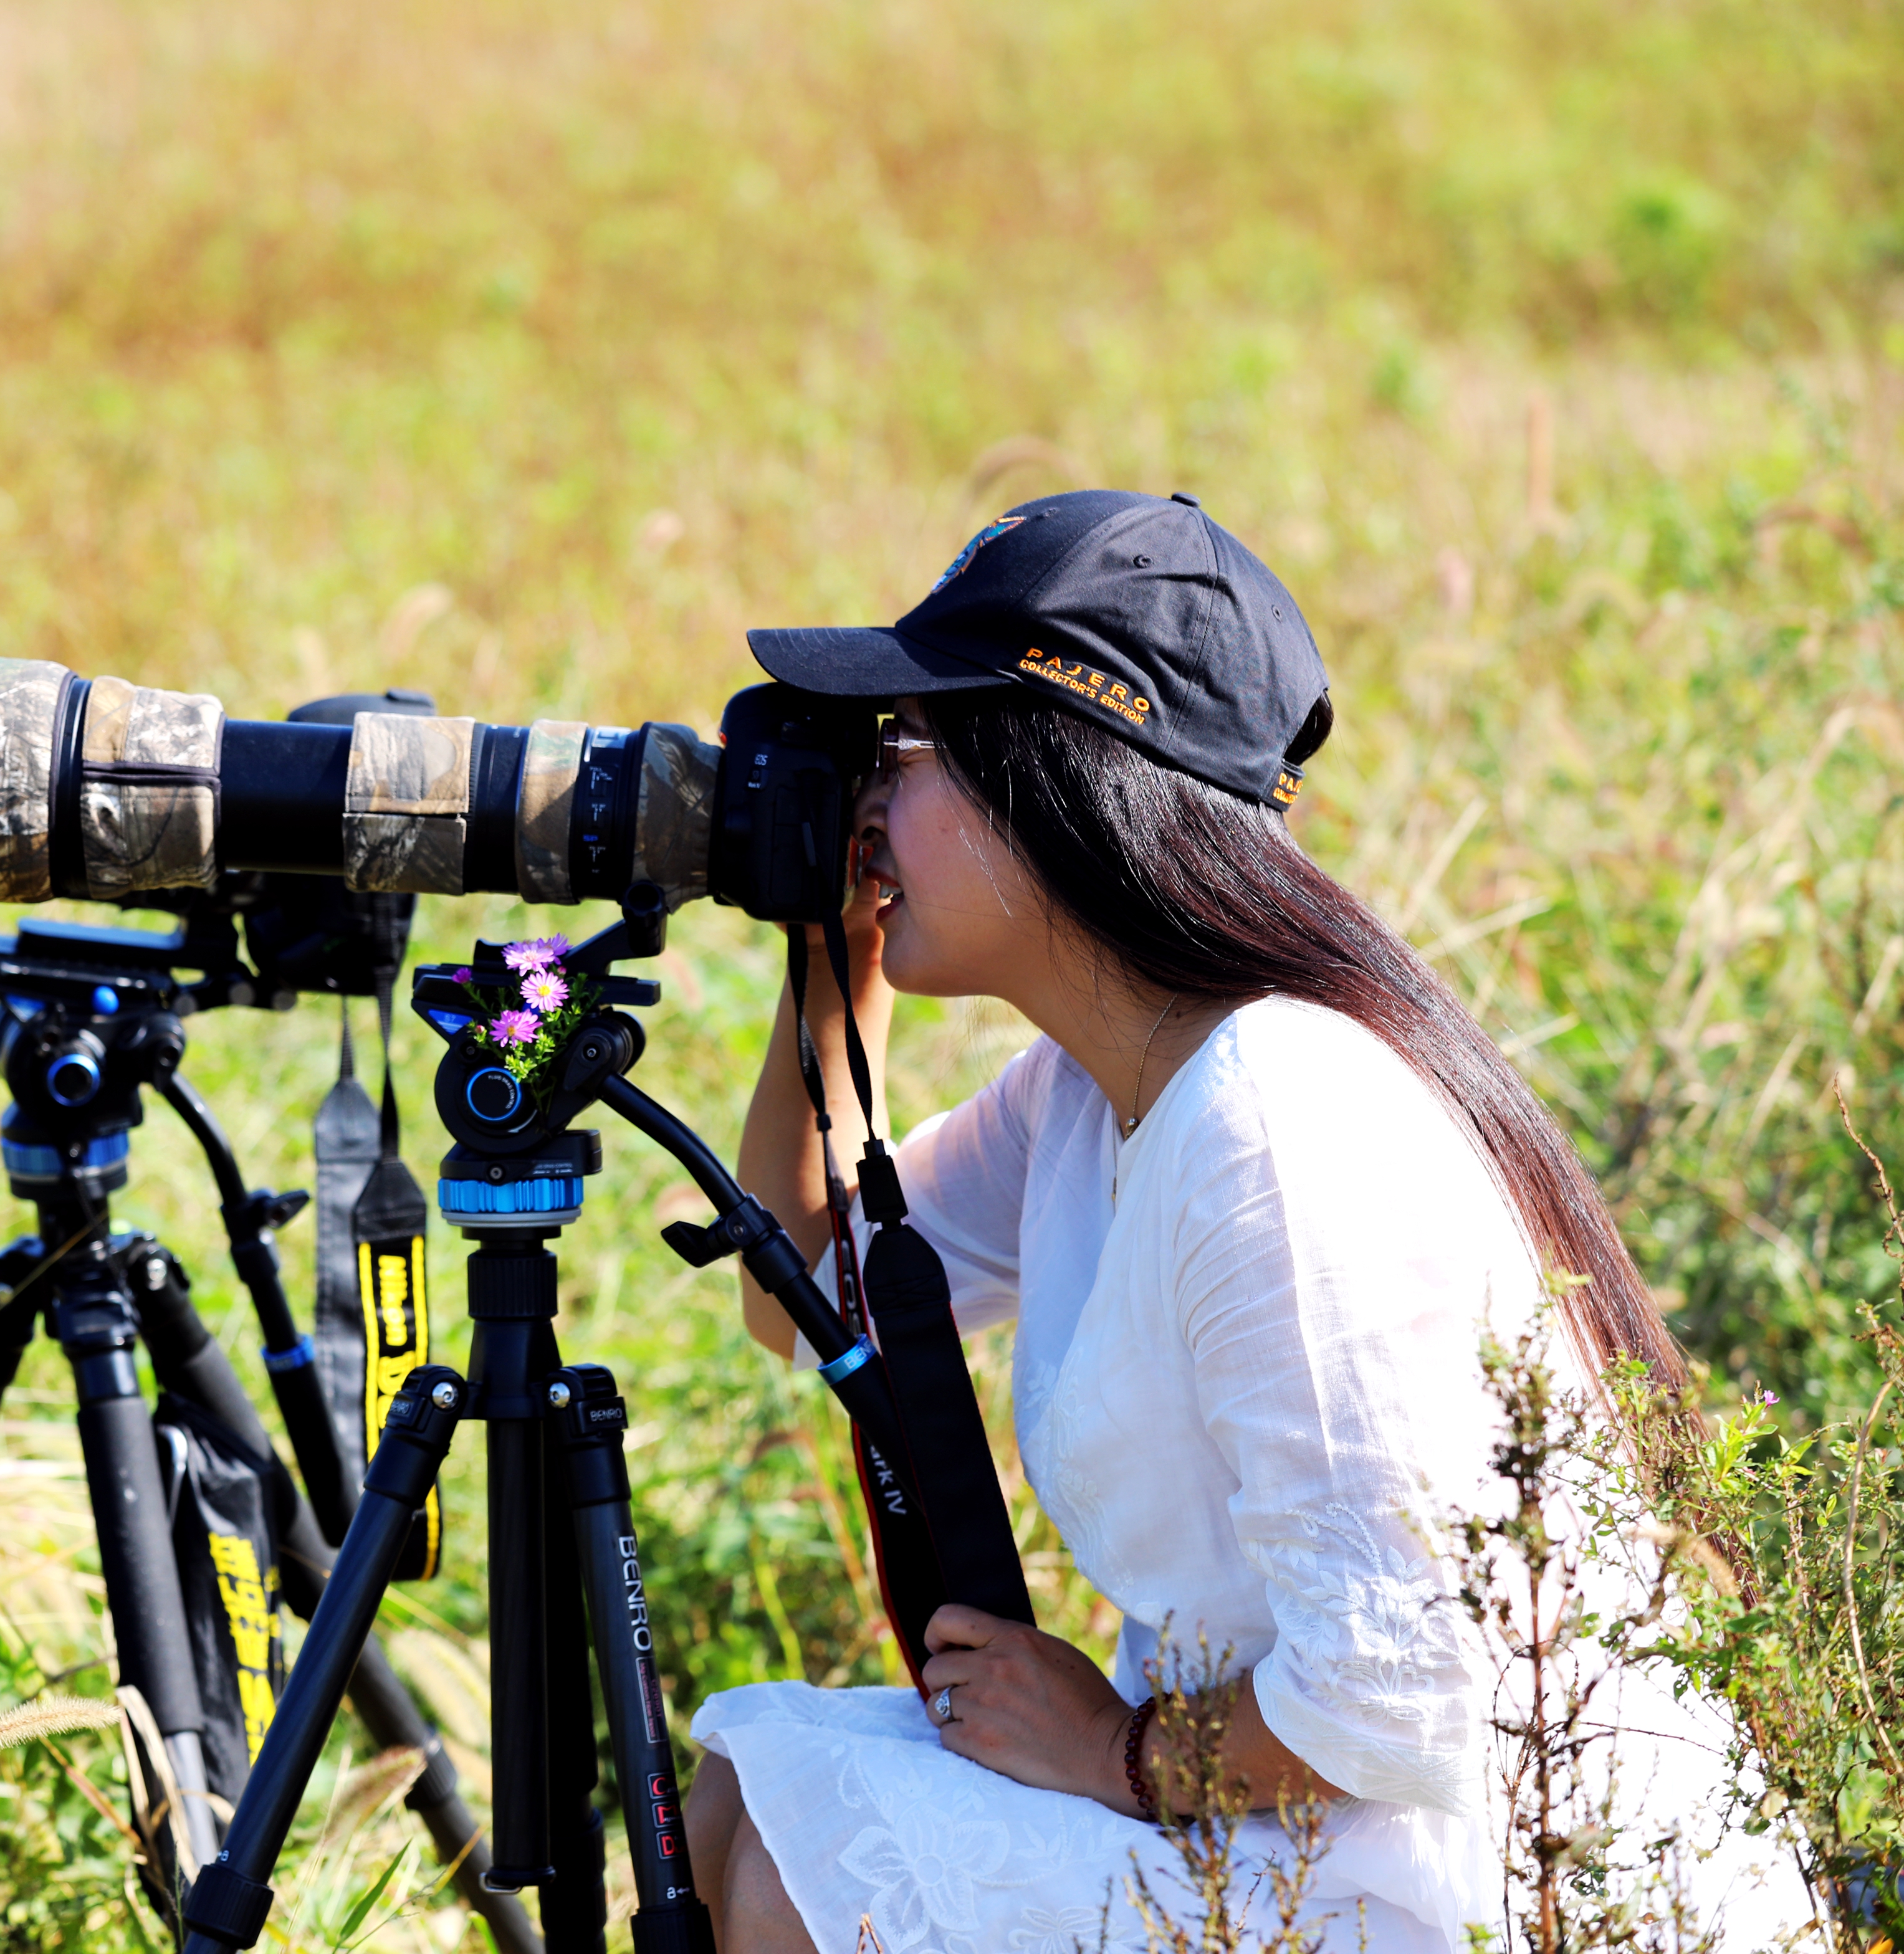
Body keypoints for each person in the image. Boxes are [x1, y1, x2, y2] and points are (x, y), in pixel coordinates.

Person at [681, 492, 1812, 1954]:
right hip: (1292, 1815)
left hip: (1476, 1871)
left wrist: (1115, 1753)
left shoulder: (1269, 1116)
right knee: (734, 1791)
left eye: (899, 752)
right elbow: (807, 1285)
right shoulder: (1091, 1093)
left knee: (791, 1868)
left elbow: (1403, 1686)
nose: (866, 806)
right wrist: (831, 949)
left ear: (1059, 778)